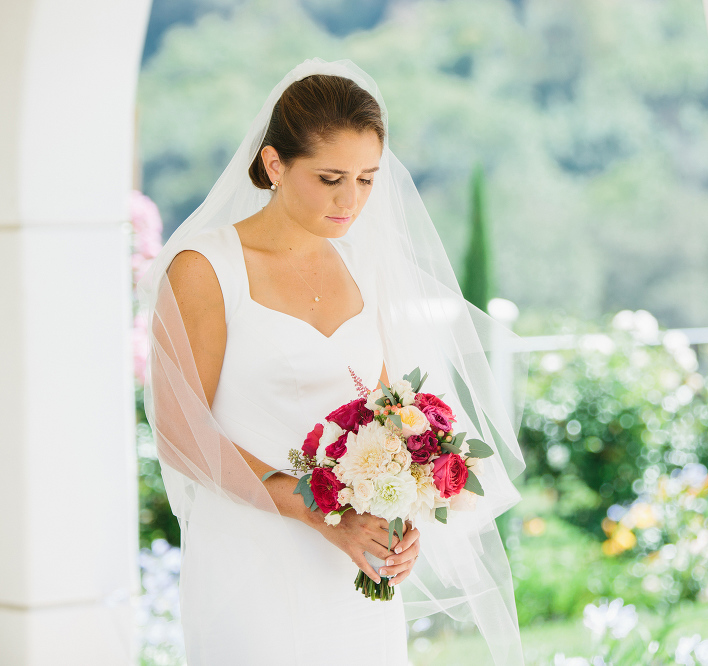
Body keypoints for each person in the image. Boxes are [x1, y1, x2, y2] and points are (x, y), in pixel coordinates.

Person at [138, 59, 527, 665]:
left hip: (354, 565)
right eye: (330, 178)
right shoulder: (205, 267)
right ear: (274, 165)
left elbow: (387, 417)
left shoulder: (365, 268)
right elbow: (181, 433)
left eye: (368, 179)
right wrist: (322, 515)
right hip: (251, 558)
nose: (352, 201)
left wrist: (403, 510)